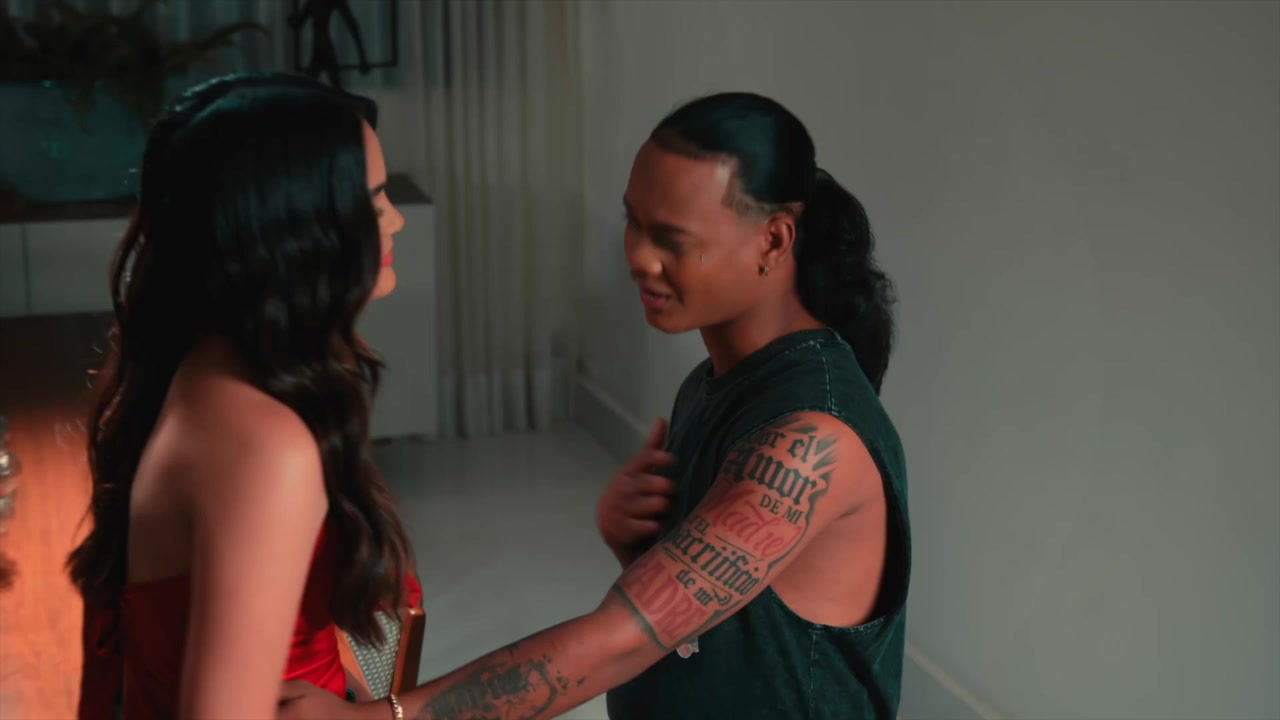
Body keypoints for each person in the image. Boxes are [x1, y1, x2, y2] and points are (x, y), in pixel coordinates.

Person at [278, 90, 908, 720]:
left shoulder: (810, 441)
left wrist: (378, 719)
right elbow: (714, 623)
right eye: (634, 222)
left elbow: (625, 638)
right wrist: (643, 549)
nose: (638, 257)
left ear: (773, 240)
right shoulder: (714, 380)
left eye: (672, 238)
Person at [68, 72, 422, 720]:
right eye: (373, 202)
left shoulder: (201, 361)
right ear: (295, 232)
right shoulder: (264, 443)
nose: (395, 218)